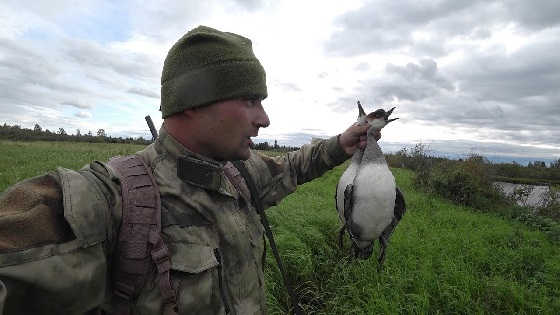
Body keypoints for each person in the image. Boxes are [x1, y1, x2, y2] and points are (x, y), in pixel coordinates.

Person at [0, 26, 376, 315]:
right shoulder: (110, 199)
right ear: (195, 102)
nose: (264, 118)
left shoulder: (237, 174)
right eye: (250, 100)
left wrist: (342, 143)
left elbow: (292, 168)